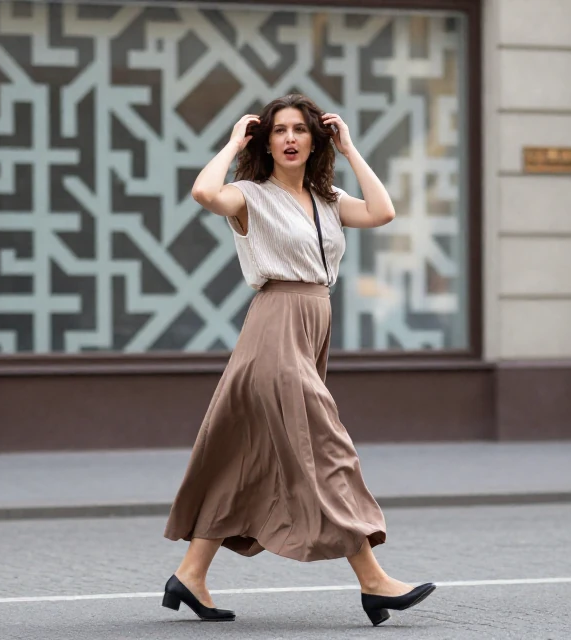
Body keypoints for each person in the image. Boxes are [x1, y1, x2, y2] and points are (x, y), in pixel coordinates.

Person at [161, 94, 436, 627]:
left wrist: (352, 150)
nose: (289, 138)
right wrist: (232, 142)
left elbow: (383, 211)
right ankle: (373, 580)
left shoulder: (327, 198)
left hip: (312, 324)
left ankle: (191, 573)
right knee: (326, 448)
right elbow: (202, 191)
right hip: (275, 324)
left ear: (315, 139)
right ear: (265, 141)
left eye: (299, 130)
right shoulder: (249, 196)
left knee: (248, 455)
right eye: (278, 131)